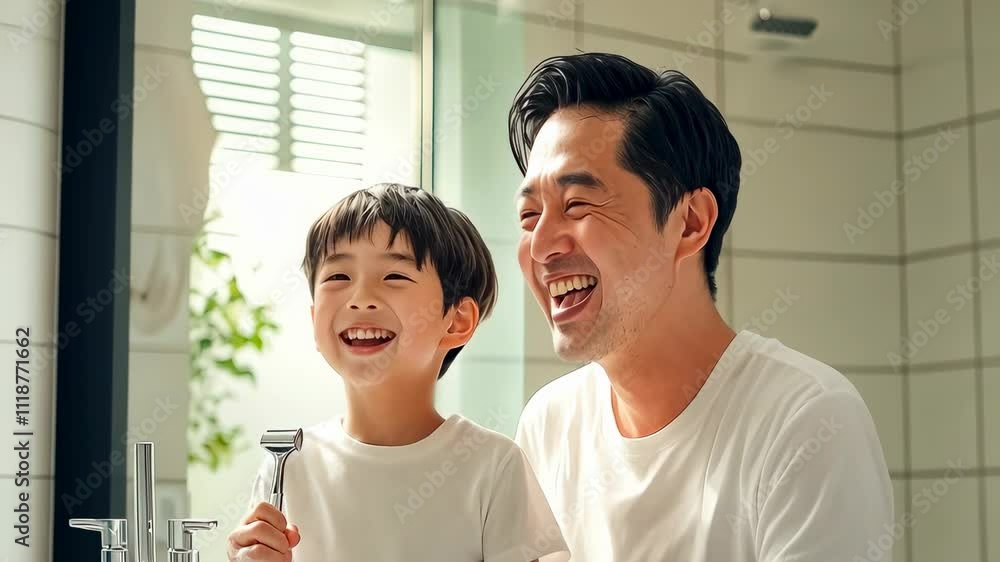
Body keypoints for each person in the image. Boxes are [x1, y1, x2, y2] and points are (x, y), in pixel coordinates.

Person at [509, 53, 894, 561]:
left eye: (577, 205)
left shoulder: (806, 422)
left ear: (690, 223)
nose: (540, 247)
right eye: (530, 214)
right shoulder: (549, 425)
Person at [226, 183, 569, 562]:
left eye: (394, 277)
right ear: (314, 320)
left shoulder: (492, 466)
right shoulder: (288, 464)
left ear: (456, 321)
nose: (359, 299)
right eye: (338, 277)